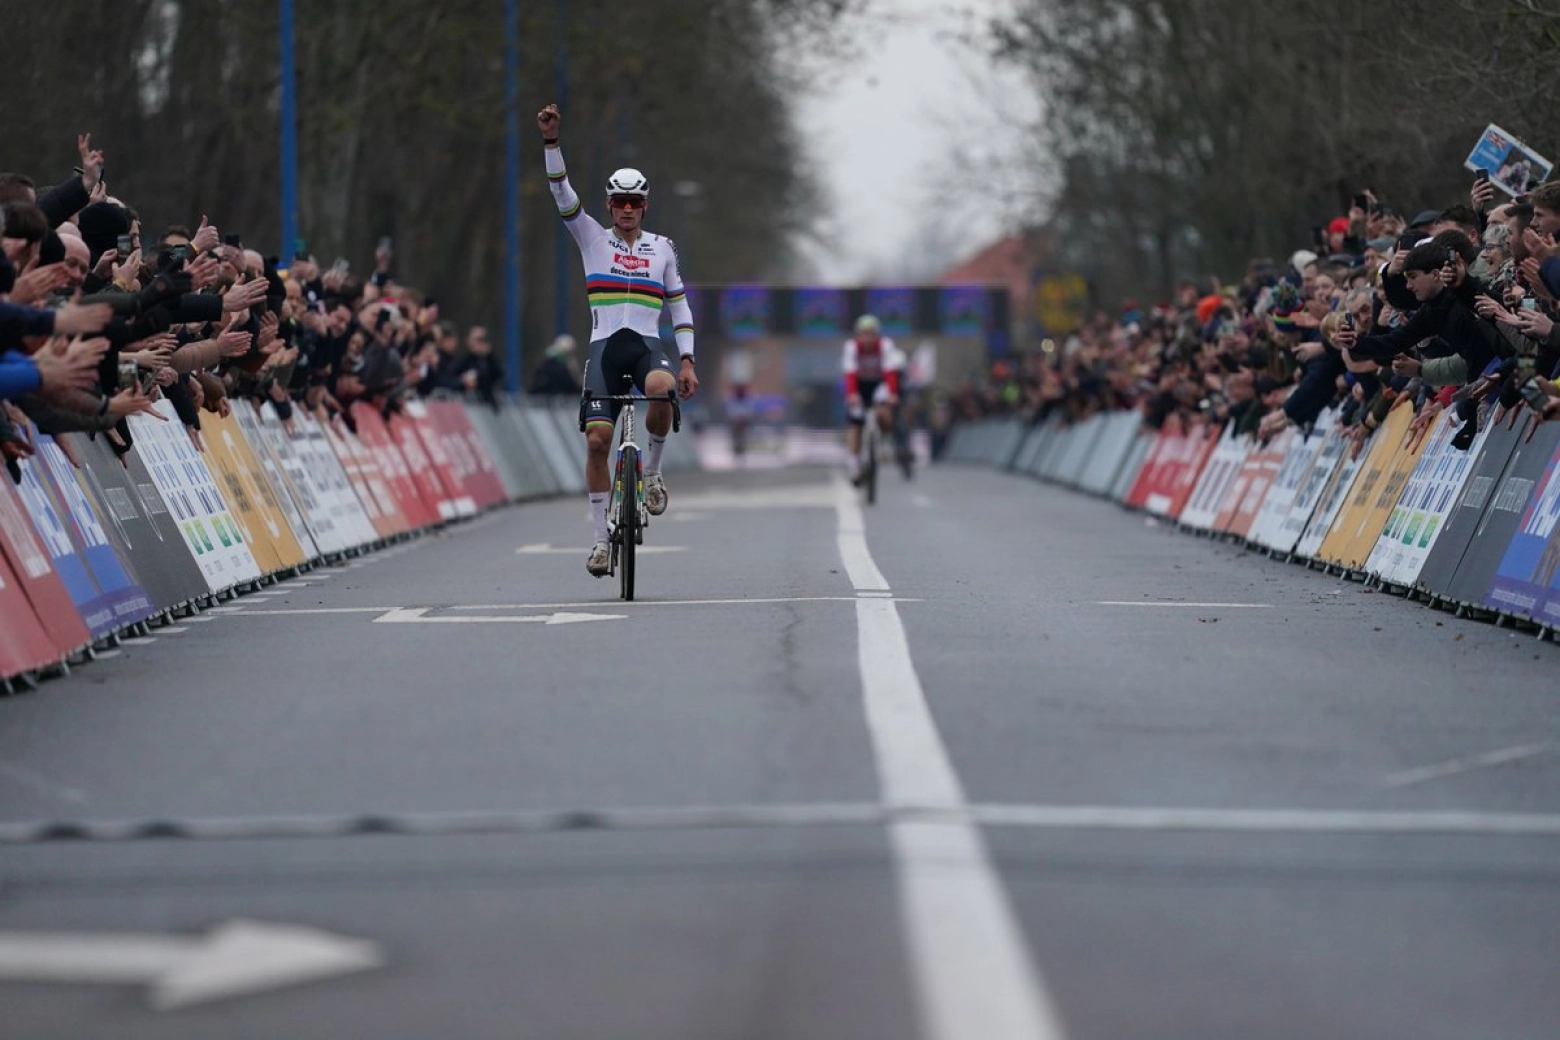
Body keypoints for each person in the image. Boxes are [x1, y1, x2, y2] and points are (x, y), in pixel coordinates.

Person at [538, 103, 698, 577]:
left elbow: (679, 306)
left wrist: (687, 360)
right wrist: (551, 142)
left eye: (635, 203)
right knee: (597, 442)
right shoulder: (590, 237)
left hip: (646, 346)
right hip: (604, 349)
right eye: (620, 202)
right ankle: (600, 543)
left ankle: (653, 472)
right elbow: (561, 192)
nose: (628, 210)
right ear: (609, 205)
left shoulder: (662, 248)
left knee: (661, 389)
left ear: (645, 205)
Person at [842, 313, 905, 485]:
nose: (867, 338)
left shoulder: (885, 345)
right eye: (864, 334)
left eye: (871, 334)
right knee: (856, 424)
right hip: (860, 386)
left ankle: (884, 440)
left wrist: (893, 393)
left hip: (879, 384)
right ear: (858, 335)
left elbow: (890, 372)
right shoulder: (851, 347)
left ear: (877, 334)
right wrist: (852, 394)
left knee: (884, 411)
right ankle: (854, 464)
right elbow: (850, 373)